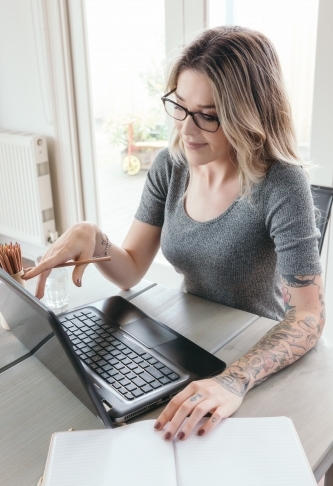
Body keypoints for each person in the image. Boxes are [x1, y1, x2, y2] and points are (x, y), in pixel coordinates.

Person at [22, 26, 325, 442]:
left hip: (257, 355)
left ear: (247, 115)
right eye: (179, 107)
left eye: (209, 115)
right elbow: (129, 271)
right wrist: (91, 234)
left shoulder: (281, 183)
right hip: (192, 340)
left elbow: (308, 316)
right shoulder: (172, 166)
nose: (186, 129)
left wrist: (232, 380)